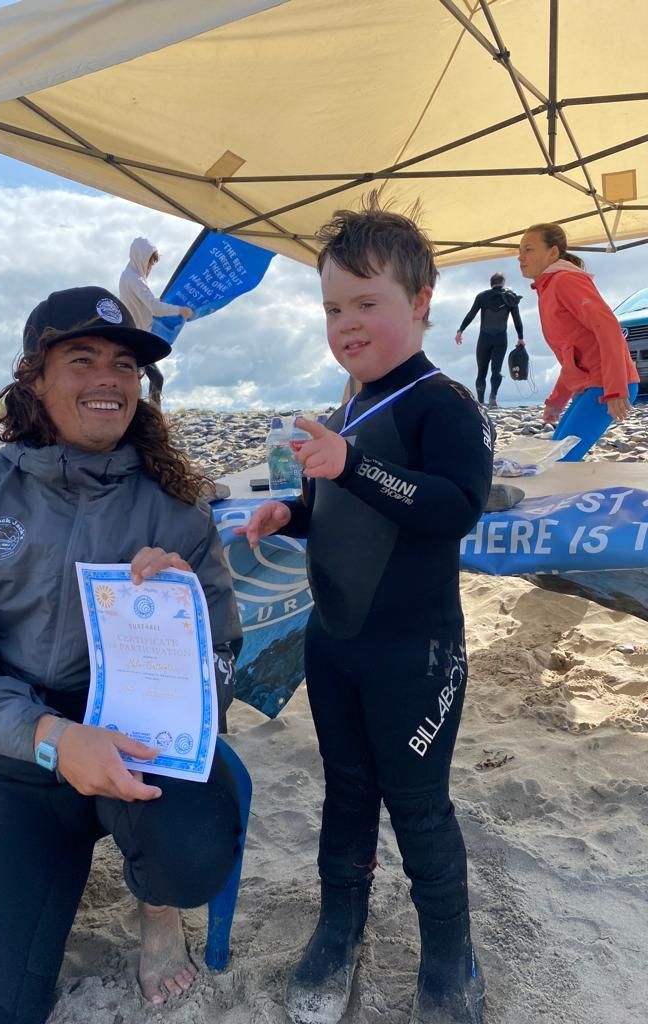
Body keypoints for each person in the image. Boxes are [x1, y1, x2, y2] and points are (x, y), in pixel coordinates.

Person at [0, 286, 243, 1024]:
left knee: (190, 859)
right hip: (32, 751)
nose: (106, 380)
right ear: (33, 377)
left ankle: (158, 909)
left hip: (145, 743)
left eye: (123, 365)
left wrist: (185, 626)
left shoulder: (176, 506)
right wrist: (55, 739)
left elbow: (223, 655)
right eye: (81, 358)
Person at [237, 195, 493, 1024]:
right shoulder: (346, 409)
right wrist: (290, 512)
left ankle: (448, 953)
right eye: (332, 308)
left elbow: (452, 507)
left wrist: (348, 468)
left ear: (420, 302)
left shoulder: (441, 403)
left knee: (418, 804)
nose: (346, 323)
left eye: (367, 303)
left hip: (415, 656)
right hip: (336, 645)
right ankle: (339, 925)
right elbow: (337, 508)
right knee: (345, 791)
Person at [518, 222, 639, 460]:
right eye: (519, 251)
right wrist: (556, 401)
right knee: (557, 455)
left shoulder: (565, 281)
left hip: (607, 384)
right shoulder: (547, 288)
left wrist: (615, 389)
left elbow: (609, 329)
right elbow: (572, 356)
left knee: (562, 459)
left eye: (528, 250)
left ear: (553, 252)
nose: (520, 257)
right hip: (592, 384)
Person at [119, 237, 193, 406]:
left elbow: (146, 302)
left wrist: (160, 301)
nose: (150, 267)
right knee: (155, 378)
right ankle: (152, 416)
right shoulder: (134, 279)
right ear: (140, 258)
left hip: (135, 336)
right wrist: (180, 310)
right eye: (149, 263)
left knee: (138, 379)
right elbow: (154, 307)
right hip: (136, 339)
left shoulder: (130, 276)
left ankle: (143, 416)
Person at [455, 272, 524, 408]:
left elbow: (471, 314)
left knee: (482, 371)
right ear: (503, 283)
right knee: (496, 371)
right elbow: (517, 319)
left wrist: (460, 330)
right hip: (501, 339)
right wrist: (520, 337)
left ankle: (480, 402)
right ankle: (493, 398)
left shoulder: (482, 296)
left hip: (484, 339)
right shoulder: (510, 297)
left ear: (491, 283)